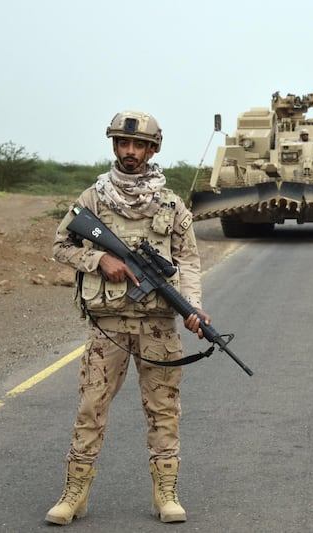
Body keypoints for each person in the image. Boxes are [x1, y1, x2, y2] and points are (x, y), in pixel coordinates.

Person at [45, 110, 209, 525]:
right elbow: (60, 246)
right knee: (91, 408)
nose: (129, 151)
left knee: (163, 409)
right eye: (123, 143)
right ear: (114, 146)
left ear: (153, 149)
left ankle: (166, 492)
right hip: (108, 327)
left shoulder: (171, 204)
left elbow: (187, 261)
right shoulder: (93, 199)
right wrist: (99, 257)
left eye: (138, 145)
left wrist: (192, 306)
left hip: (159, 327)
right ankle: (74, 493)